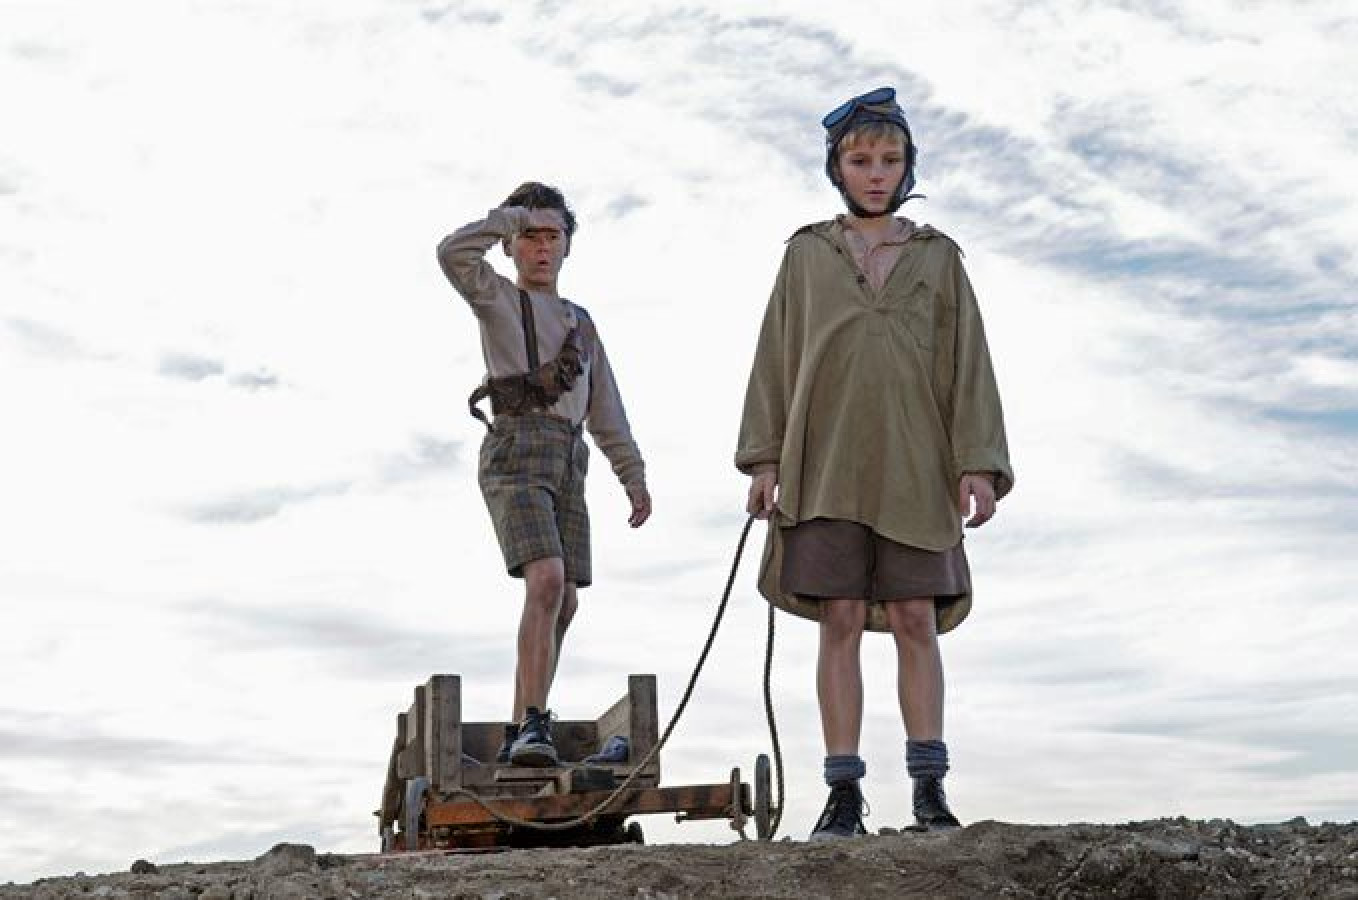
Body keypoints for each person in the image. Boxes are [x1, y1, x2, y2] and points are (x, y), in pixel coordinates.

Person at [735, 88, 1014, 839]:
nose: (876, 172)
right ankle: (843, 795)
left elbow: (971, 367)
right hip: (823, 463)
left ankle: (929, 790)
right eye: (860, 160)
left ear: (907, 164)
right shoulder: (805, 255)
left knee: (919, 618)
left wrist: (978, 464)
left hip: (918, 466)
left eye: (890, 160)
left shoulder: (938, 257)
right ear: (837, 166)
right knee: (841, 619)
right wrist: (764, 458)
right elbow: (775, 360)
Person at [438, 182, 652, 767]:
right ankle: (534, 722)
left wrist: (631, 474)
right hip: (516, 449)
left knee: (567, 600)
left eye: (551, 235)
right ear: (512, 245)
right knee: (547, 578)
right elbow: (453, 253)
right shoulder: (496, 298)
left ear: (566, 246)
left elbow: (607, 407)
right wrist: (506, 219)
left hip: (570, 457)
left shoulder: (582, 325)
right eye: (529, 236)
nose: (540, 247)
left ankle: (521, 725)